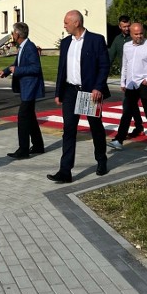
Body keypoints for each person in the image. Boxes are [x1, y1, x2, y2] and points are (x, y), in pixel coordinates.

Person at [47, 10, 111, 183]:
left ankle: (101, 160)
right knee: (68, 130)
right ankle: (65, 171)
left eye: (66, 22)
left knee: (95, 127)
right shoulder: (66, 42)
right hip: (69, 91)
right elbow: (62, 68)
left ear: (76, 22)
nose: (64, 25)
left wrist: (98, 87)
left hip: (89, 92)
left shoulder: (96, 40)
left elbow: (104, 66)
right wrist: (58, 92)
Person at [108, 22, 147, 152]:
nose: (139, 36)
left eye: (141, 33)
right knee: (126, 113)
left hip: (145, 85)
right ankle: (119, 139)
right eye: (136, 34)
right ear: (131, 34)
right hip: (131, 85)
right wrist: (123, 82)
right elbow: (125, 65)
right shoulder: (126, 46)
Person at [0, 22, 46, 159]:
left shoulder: (29, 47)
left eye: (13, 33)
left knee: (23, 117)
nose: (12, 35)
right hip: (26, 88)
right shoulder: (23, 47)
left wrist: (17, 70)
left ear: (17, 34)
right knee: (30, 117)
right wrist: (6, 71)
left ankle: (23, 149)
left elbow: (35, 68)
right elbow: (17, 63)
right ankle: (38, 145)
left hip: (30, 88)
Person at [108, 15, 144, 138]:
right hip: (128, 78)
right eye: (124, 26)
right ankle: (138, 127)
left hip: (140, 77)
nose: (127, 28)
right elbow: (110, 57)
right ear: (119, 26)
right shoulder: (117, 40)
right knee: (130, 104)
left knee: (130, 105)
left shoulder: (136, 37)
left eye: (128, 26)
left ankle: (122, 135)